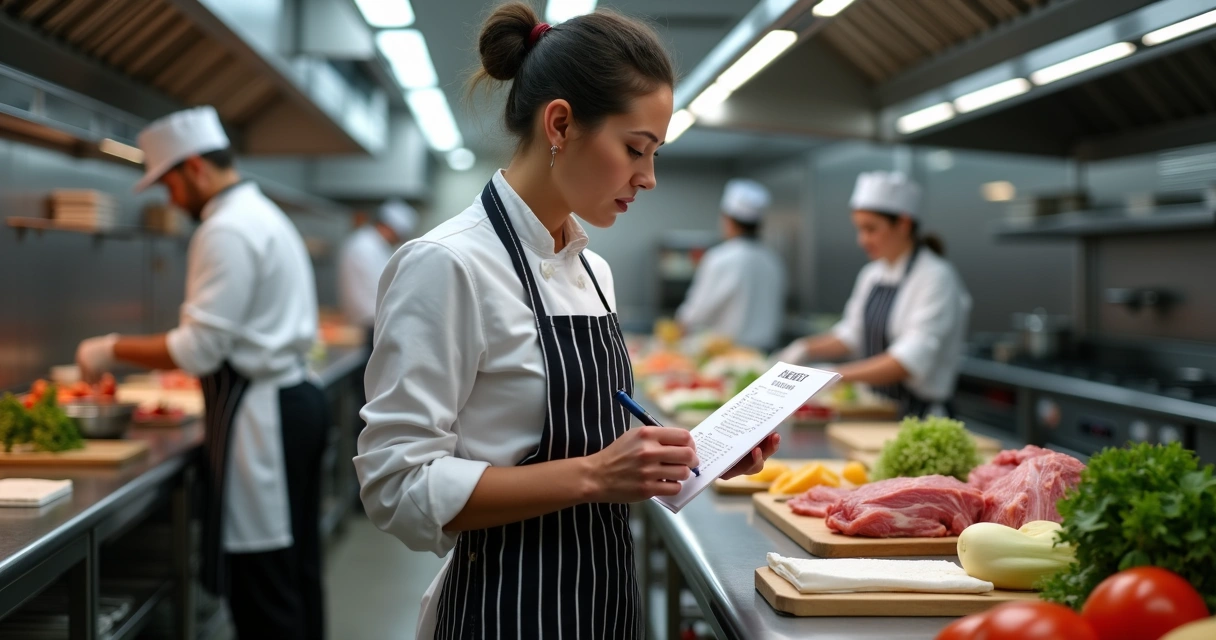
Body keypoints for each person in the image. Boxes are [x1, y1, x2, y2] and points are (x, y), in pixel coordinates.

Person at [353, 4, 778, 638]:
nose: (649, 177)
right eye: (636, 148)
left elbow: (597, 432)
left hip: (602, 599)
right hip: (505, 608)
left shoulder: (591, 271)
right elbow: (396, 481)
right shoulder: (449, 265)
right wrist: (594, 476)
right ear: (560, 124)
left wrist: (694, 456)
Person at [74, 106, 327, 639]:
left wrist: (108, 347)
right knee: (296, 573)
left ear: (193, 169)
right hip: (293, 402)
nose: (170, 201)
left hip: (265, 419)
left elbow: (200, 349)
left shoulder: (226, 229)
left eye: (167, 185)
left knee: (264, 587)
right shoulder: (259, 214)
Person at [775, 171, 971, 417]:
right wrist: (806, 348)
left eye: (871, 229)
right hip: (875, 409)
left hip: (919, 415)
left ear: (903, 224)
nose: (862, 240)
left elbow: (909, 360)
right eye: (859, 229)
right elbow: (852, 334)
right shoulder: (872, 274)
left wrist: (833, 375)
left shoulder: (936, 277)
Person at [675, 178, 787, 350]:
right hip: (766, 351)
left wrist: (679, 329)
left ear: (728, 220)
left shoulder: (720, 258)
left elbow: (696, 312)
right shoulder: (772, 260)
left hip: (726, 355)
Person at [337, 199, 418, 333]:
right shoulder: (365, 245)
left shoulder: (371, 243)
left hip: (370, 320)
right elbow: (383, 286)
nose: (398, 239)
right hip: (369, 322)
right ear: (389, 227)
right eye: (398, 235)